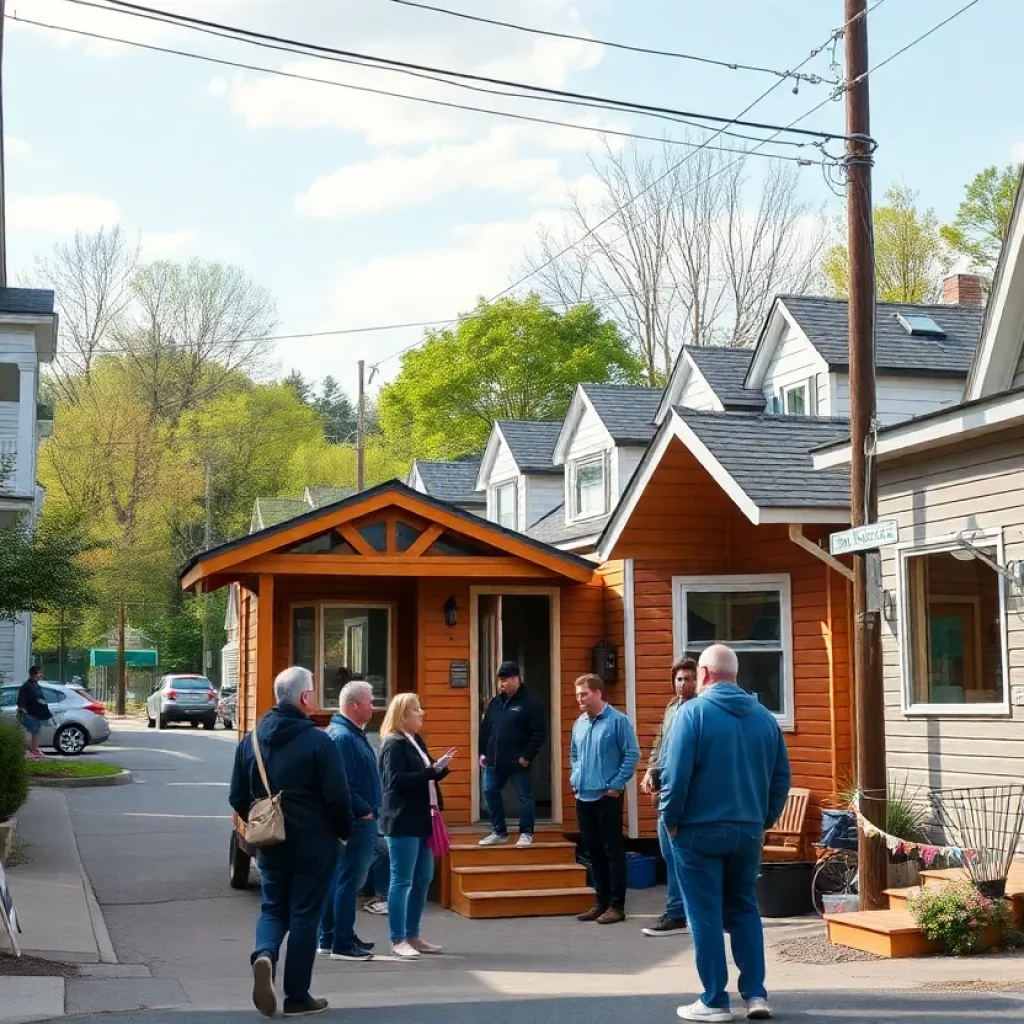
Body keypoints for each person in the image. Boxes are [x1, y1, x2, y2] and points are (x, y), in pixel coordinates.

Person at [659, 644, 791, 1023]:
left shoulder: (692, 713)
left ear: (702, 673)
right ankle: (756, 994)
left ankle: (715, 999)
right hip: (747, 830)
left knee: (704, 914)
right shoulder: (765, 718)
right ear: (734, 674)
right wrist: (764, 818)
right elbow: (781, 777)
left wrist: (671, 819)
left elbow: (676, 775)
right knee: (745, 908)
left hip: (698, 830)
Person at [229, 667, 352, 1019]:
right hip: (315, 843)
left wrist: (262, 823)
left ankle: (264, 954)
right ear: (303, 698)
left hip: (271, 843)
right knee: (304, 915)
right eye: (313, 692)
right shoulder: (318, 741)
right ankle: (297, 997)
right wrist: (343, 832)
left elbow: (237, 796)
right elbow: (337, 796)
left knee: (273, 908)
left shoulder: (251, 740)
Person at [378, 693, 455, 960]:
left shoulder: (414, 740)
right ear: (403, 714)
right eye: (416, 709)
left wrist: (439, 769)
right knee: (402, 880)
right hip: (402, 820)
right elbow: (395, 781)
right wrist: (431, 772)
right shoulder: (393, 743)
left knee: (424, 877)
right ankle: (398, 939)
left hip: (423, 818)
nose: (421, 713)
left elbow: (425, 773)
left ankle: (413, 934)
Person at [317, 680, 382, 961]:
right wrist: (363, 809)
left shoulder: (349, 733)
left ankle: (331, 937)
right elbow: (340, 782)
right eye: (369, 701)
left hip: (356, 817)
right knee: (349, 880)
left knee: (341, 879)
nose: (373, 706)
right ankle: (341, 942)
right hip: (357, 820)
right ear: (354, 705)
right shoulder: (343, 737)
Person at [569, 673, 640, 925]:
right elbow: (574, 754)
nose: (580, 699)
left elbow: (632, 755)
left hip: (606, 795)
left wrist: (616, 785)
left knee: (612, 851)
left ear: (598, 693)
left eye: (584, 694)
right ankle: (600, 902)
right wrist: (575, 778)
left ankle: (617, 906)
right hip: (583, 795)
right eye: (577, 695)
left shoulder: (617, 721)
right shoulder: (579, 723)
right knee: (592, 851)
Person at [640, 657, 698, 938]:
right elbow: (660, 744)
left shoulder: (699, 709)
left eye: (688, 678)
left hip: (686, 793)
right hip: (664, 788)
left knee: (679, 854)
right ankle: (680, 910)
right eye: (679, 679)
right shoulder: (672, 707)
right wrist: (651, 770)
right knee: (667, 852)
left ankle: (678, 912)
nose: (683, 684)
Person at [478, 660, 546, 848]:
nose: (501, 684)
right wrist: (482, 753)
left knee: (524, 796)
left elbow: (539, 732)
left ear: (516, 679)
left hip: (519, 761)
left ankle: (526, 832)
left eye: (505, 680)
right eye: (499, 680)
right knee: (490, 791)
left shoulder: (530, 702)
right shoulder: (495, 703)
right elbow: (486, 730)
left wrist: (527, 756)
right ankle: (499, 831)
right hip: (494, 760)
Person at [17, 666, 52, 761]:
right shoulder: (26, 686)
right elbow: (21, 700)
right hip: (28, 713)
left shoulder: (35, 684)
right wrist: (22, 710)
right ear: (35, 673)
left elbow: (38, 697)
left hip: (35, 713)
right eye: (40, 672)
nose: (42, 675)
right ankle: (30, 751)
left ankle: (34, 751)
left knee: (36, 732)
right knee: (31, 732)